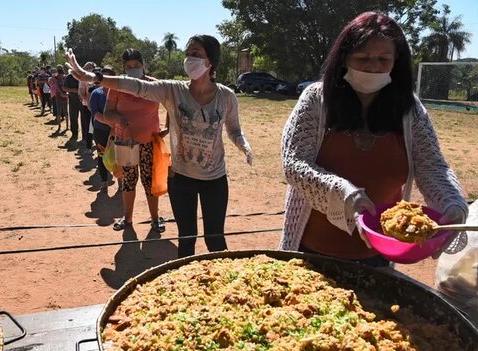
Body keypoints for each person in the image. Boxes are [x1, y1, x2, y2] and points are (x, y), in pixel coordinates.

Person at [279, 12, 468, 265]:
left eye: (383, 59)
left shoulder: (409, 109)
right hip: (312, 248)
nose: (373, 67)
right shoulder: (316, 99)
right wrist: (344, 194)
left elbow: (432, 166)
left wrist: (452, 202)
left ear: (396, 61)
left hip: (379, 251)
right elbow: (294, 163)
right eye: (363, 58)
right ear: (344, 58)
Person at [66, 35, 253, 256]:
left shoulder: (227, 96)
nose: (189, 59)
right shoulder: (173, 90)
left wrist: (243, 144)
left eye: (196, 54)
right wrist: (94, 77)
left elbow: (234, 129)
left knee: (215, 241)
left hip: (215, 180)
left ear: (210, 61)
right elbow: (135, 86)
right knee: (186, 240)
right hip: (182, 179)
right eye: (187, 54)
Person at [103, 49, 164, 232]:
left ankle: (155, 219)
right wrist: (117, 119)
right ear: (124, 68)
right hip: (126, 143)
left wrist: (167, 128)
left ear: (143, 65)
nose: (133, 69)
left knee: (149, 182)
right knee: (128, 181)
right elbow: (107, 113)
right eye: (129, 67)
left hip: (149, 143)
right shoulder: (117, 86)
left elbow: (173, 105)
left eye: (136, 66)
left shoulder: (155, 85)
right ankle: (127, 219)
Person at [89, 65, 116, 191]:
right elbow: (95, 113)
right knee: (102, 156)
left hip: (117, 131)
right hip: (101, 131)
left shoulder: (120, 92)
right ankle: (104, 182)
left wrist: (115, 126)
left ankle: (120, 182)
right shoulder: (96, 93)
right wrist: (110, 123)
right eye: (104, 75)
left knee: (119, 156)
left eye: (109, 75)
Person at [78, 61, 96, 149]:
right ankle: (88, 143)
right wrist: (89, 103)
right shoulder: (83, 79)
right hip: (86, 105)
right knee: (88, 125)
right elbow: (82, 93)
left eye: (91, 67)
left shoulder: (97, 77)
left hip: (97, 105)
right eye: (88, 67)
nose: (90, 68)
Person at [63, 62, 82, 141]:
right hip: (72, 100)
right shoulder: (68, 77)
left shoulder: (82, 76)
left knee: (84, 119)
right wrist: (72, 90)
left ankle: (85, 136)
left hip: (82, 100)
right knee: (73, 117)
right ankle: (74, 133)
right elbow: (64, 88)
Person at [53, 65, 69, 132]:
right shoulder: (55, 78)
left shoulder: (65, 78)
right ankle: (59, 125)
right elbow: (57, 87)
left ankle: (67, 126)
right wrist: (62, 93)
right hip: (59, 96)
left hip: (65, 96)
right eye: (60, 75)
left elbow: (67, 86)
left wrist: (66, 93)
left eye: (62, 75)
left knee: (66, 111)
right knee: (59, 111)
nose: (61, 76)